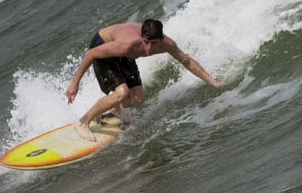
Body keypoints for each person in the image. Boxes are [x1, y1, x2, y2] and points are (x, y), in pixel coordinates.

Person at [65, 20, 223, 142]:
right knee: (122, 93)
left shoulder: (167, 45)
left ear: (161, 39)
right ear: (141, 37)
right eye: (146, 42)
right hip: (103, 47)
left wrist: (212, 81)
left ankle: (115, 110)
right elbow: (91, 54)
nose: (148, 48)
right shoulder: (127, 45)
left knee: (138, 98)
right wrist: (75, 83)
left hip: (124, 54)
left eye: (153, 43)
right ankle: (83, 122)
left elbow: (186, 61)